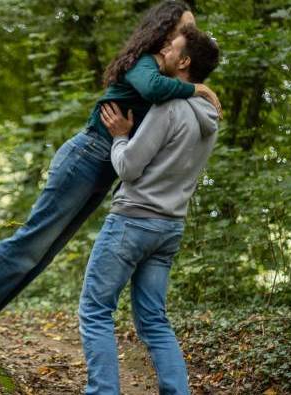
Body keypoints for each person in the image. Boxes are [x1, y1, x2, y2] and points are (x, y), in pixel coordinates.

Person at [0, 0, 221, 334]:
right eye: (185, 28)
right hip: (86, 157)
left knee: (41, 257)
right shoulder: (146, 64)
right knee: (30, 243)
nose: (190, 34)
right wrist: (196, 87)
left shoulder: (171, 80)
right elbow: (152, 89)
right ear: (166, 31)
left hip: (104, 171)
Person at [78, 25, 221, 395]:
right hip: (170, 228)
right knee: (154, 321)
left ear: (184, 61)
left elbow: (128, 167)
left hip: (132, 222)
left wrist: (121, 136)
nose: (164, 54)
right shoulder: (210, 116)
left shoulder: (168, 107)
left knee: (95, 312)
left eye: (171, 49)